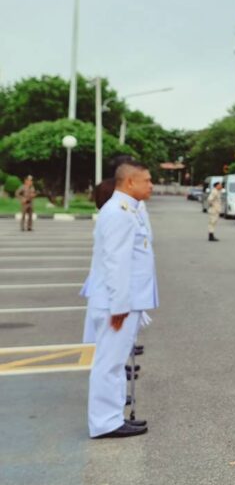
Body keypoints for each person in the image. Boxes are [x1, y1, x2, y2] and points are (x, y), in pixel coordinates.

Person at [84, 159, 157, 439]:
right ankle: (105, 422)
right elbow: (116, 263)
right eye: (147, 180)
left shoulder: (127, 209)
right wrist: (119, 306)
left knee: (114, 364)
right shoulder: (118, 213)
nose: (151, 185)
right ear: (130, 182)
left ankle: (112, 417)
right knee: (110, 364)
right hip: (115, 304)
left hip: (123, 302)